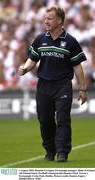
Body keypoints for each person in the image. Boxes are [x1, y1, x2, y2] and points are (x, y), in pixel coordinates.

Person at [18, 6, 87, 162]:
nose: (46, 21)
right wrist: (25, 68)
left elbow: (78, 66)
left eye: (49, 18)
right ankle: (50, 150)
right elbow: (32, 59)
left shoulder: (70, 41)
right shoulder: (40, 39)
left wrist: (83, 89)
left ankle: (62, 152)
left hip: (63, 85)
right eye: (45, 18)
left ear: (59, 20)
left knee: (62, 119)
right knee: (45, 120)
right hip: (43, 85)